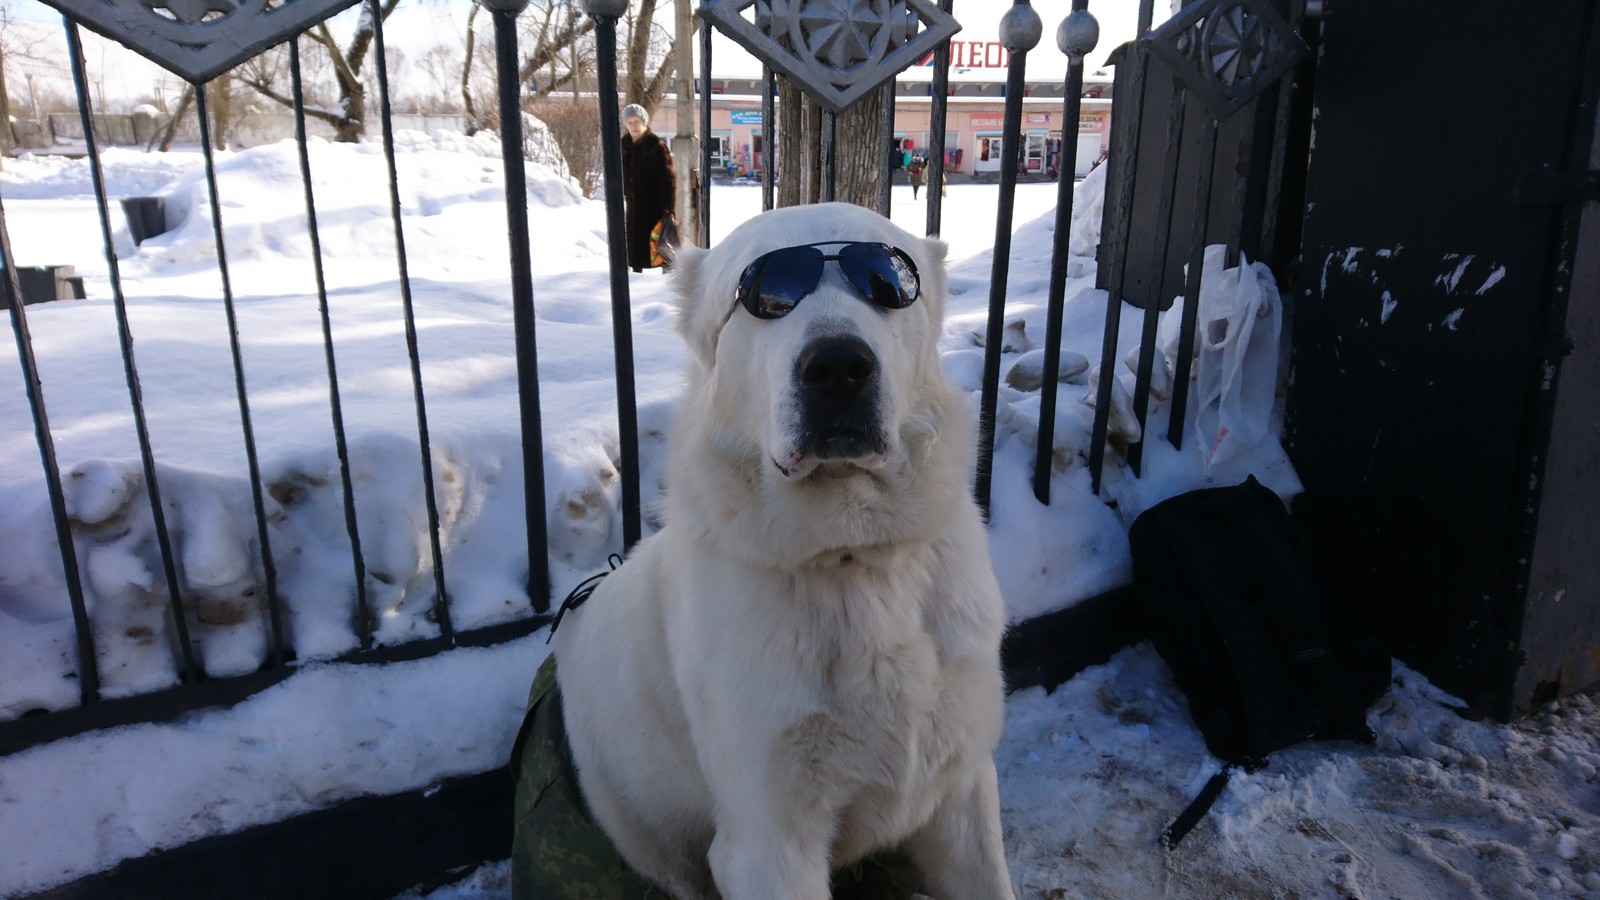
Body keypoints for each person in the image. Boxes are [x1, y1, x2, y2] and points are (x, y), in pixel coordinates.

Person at [619, 103, 676, 273]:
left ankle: (666, 282)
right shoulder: (624, 144)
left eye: (637, 121)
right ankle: (635, 278)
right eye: (630, 122)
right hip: (633, 209)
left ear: (644, 122)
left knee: (661, 248)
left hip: (655, 209)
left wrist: (667, 210)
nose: (634, 125)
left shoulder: (656, 145)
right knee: (636, 251)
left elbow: (668, 180)